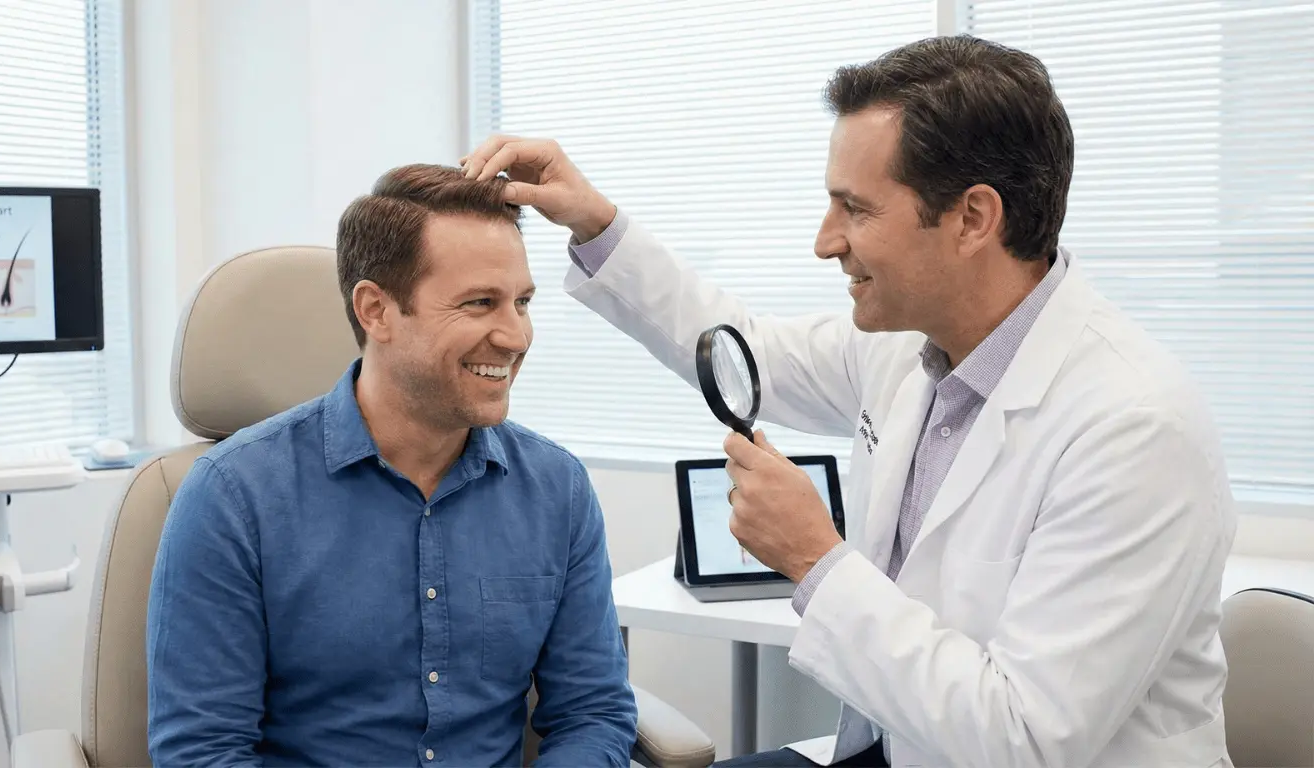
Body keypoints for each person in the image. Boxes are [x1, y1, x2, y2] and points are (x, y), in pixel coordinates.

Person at [462, 34, 1236, 768]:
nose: (826, 240)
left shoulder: (1133, 428)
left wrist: (813, 557)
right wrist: (593, 221)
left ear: (973, 218)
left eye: (856, 210)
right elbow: (745, 351)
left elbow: (1023, 738)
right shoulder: (910, 347)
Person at [146, 164, 637, 766]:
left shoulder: (556, 489)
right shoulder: (232, 497)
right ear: (376, 310)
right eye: (480, 303)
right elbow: (204, 751)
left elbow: (592, 713)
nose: (514, 336)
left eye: (523, 303)